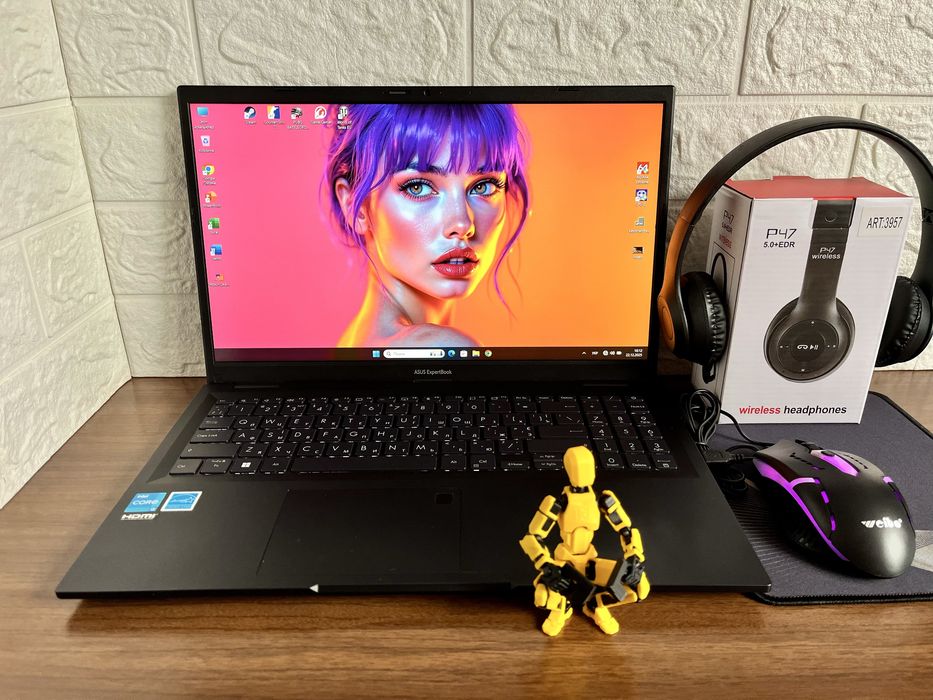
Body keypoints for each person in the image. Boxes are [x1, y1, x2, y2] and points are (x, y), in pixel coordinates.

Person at [324, 103, 530, 347]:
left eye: (483, 186)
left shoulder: (355, 343)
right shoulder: (443, 348)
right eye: (418, 187)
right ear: (354, 207)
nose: (462, 224)